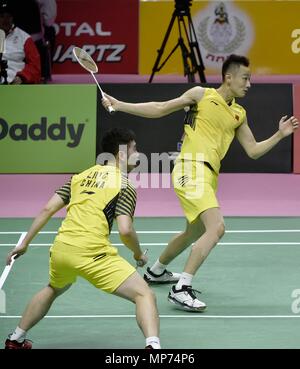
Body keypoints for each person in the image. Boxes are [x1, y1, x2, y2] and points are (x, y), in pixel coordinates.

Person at [102, 55, 299, 312]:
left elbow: (253, 150)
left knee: (193, 232)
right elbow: (161, 108)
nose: (249, 84)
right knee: (216, 228)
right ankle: (181, 287)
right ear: (229, 77)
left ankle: (156, 271)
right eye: (245, 78)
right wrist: (120, 105)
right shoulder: (201, 95)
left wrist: (279, 135)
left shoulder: (239, 113)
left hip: (209, 176)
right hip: (190, 169)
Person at [4, 127, 161, 349]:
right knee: (144, 294)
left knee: (54, 287)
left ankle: (15, 339)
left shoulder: (79, 177)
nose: (139, 153)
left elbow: (47, 209)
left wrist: (24, 243)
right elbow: (125, 230)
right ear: (122, 153)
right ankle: (153, 348)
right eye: (135, 148)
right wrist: (138, 254)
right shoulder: (124, 184)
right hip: (93, 254)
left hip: (62, 251)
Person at [0, 0, 41, 84]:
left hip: (16, 83)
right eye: (2, 16)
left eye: (8, 16)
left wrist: (22, 77)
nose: (5, 20)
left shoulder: (25, 38)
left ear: (13, 18)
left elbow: (35, 66)